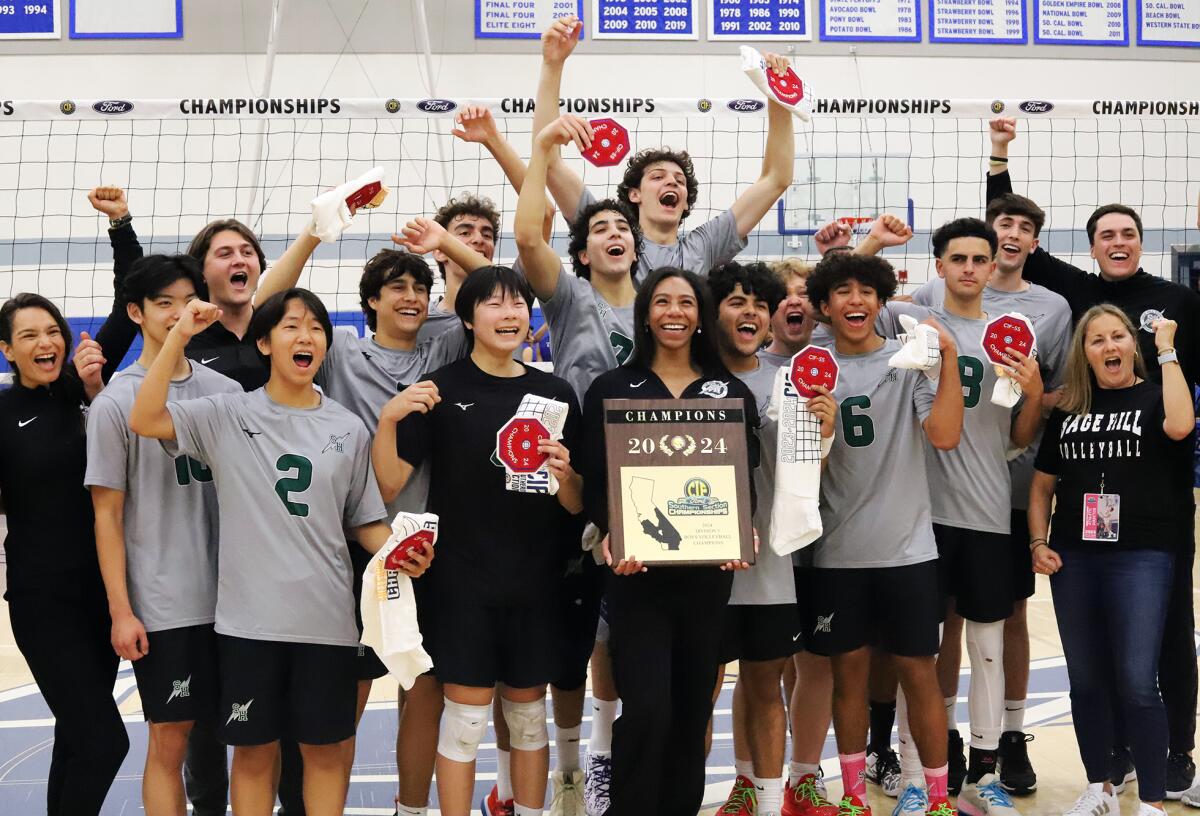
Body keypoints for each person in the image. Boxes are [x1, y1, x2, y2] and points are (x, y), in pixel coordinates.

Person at [128, 288, 431, 816]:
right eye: (292, 326)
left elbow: (365, 522)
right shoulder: (226, 413)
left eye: (316, 328)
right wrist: (179, 333)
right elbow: (146, 417)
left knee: (327, 753)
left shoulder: (346, 426)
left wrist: (401, 553)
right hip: (249, 627)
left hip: (328, 624)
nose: (306, 336)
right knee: (253, 754)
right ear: (265, 342)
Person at [988, 118, 1200, 800]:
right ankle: (1111, 773)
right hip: (1087, 519)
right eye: (1106, 234)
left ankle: (1177, 759)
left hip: (1160, 503)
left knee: (1169, 641)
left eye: (1128, 234)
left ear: (1144, 243)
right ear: (1091, 247)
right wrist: (999, 154)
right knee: (1102, 662)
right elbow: (1007, 232)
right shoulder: (1078, 294)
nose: (1117, 242)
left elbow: (1179, 412)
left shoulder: (1179, 304)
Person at [371, 265, 584, 816]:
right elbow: (390, 483)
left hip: (536, 584)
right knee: (463, 723)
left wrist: (566, 476)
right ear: (467, 318)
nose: (509, 314)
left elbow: (578, 504)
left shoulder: (554, 393)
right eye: (493, 304)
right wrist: (389, 419)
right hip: (460, 585)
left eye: (518, 304)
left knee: (529, 720)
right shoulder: (442, 391)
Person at [579, 266, 761, 815]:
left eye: (685, 302)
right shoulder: (613, 389)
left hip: (707, 579)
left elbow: (740, 482)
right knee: (647, 708)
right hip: (638, 579)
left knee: (690, 712)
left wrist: (741, 529)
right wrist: (610, 535)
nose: (674, 312)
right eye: (662, 302)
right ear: (645, 314)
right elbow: (595, 481)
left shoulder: (729, 391)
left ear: (702, 315)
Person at [908, 193, 1072, 797]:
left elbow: (1019, 437)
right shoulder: (916, 322)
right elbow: (846, 306)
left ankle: (988, 764)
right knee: (924, 644)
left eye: (980, 258)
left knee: (990, 637)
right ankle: (923, 759)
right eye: (960, 258)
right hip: (919, 513)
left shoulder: (1020, 331)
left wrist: (1033, 393)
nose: (972, 267)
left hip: (987, 506)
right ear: (941, 266)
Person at [513, 113, 646, 816]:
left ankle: (626, 755)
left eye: (622, 225)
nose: (615, 232)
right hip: (578, 482)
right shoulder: (569, 302)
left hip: (651, 480)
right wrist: (539, 150)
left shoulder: (667, 306)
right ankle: (582, 765)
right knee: (584, 634)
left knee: (639, 630)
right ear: (584, 254)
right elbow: (529, 236)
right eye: (599, 229)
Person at [800, 252, 963, 816]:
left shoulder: (909, 361)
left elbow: (943, 436)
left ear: (881, 302)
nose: (855, 301)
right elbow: (803, 469)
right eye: (842, 291)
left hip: (909, 550)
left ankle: (938, 799)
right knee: (849, 675)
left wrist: (947, 354)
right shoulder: (810, 369)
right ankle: (851, 798)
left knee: (920, 673)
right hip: (838, 552)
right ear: (824, 306)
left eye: (866, 291)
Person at [83, 255, 241, 816]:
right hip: (166, 604)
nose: (178, 313)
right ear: (136, 312)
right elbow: (106, 516)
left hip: (237, 603)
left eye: (186, 300)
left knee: (247, 741)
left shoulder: (224, 390)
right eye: (163, 303)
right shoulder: (114, 403)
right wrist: (121, 610)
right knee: (170, 745)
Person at [1029, 305, 1194, 816]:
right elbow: (1042, 486)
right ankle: (1099, 785)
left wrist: (1166, 350)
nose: (1108, 347)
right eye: (1096, 340)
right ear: (1084, 352)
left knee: (1138, 680)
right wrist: (1038, 542)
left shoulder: (1154, 395)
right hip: (1075, 560)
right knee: (1086, 678)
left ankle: (1149, 801)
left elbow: (1182, 424)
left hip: (1141, 557)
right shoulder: (1070, 409)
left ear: (1133, 345)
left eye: (1118, 336)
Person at [532, 16, 794, 284]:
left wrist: (780, 96)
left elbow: (776, 178)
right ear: (635, 194)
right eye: (658, 177)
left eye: (679, 181)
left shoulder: (702, 246)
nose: (672, 180)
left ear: (684, 202)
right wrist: (552, 64)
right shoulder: (606, 229)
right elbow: (550, 164)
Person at [0, 293, 130, 815]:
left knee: (76, 739)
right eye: (29, 336)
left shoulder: (85, 389)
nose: (45, 342)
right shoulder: (2, 413)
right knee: (105, 743)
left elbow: (128, 309)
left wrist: (119, 223)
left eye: (52, 331)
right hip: (42, 604)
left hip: (102, 597)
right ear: (7, 350)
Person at [705, 261, 795, 816]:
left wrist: (824, 431)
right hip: (700, 570)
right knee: (699, 694)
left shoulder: (789, 382)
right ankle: (688, 794)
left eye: (760, 304)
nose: (752, 312)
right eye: (737, 301)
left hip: (769, 568)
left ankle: (763, 801)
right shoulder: (683, 381)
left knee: (765, 689)